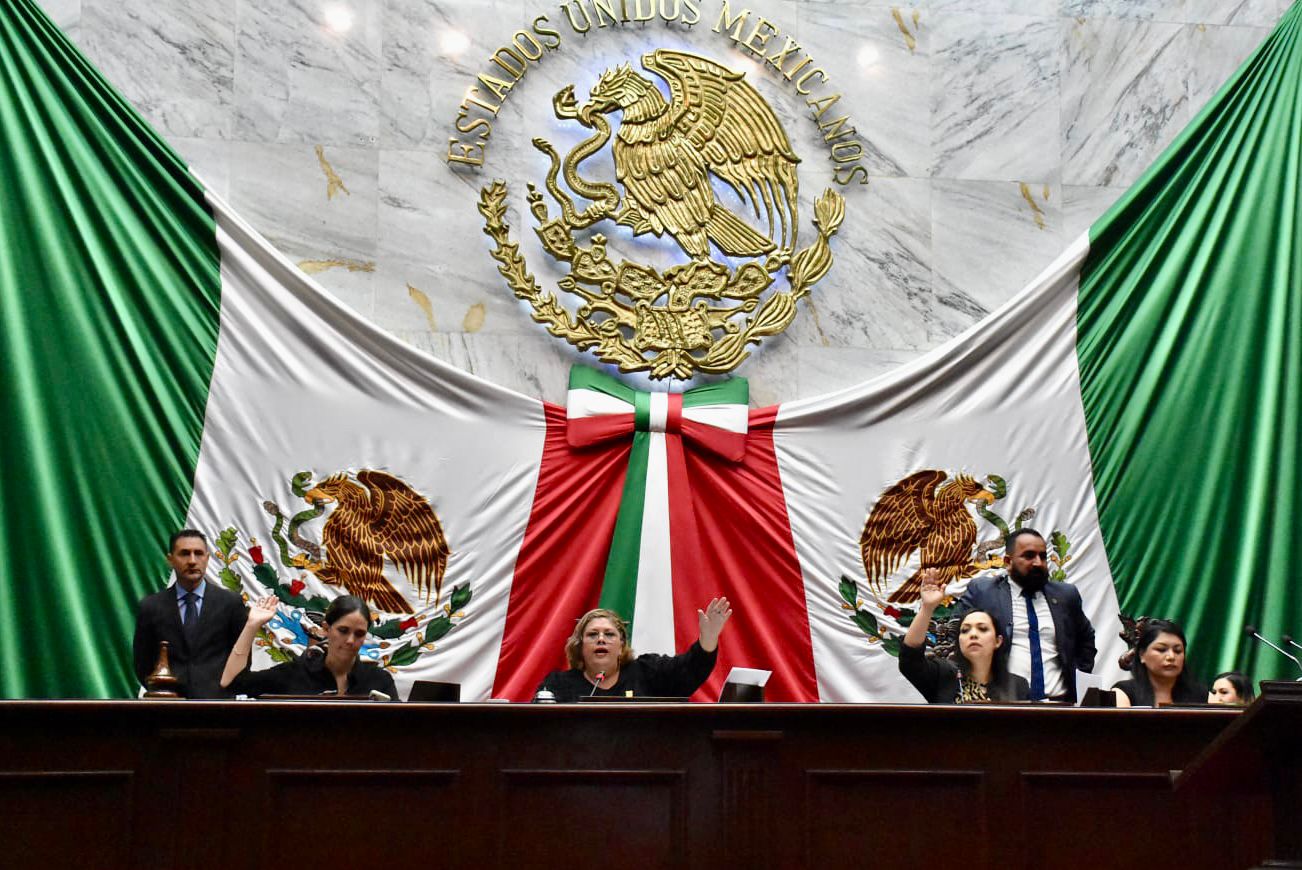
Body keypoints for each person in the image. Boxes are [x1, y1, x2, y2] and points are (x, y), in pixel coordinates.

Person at [956, 528, 1096, 702]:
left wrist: (1078, 676)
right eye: (1029, 556)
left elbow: (1086, 639)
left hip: (1059, 702)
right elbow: (956, 632)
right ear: (1008, 562)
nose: (1038, 563)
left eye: (1042, 556)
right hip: (1005, 702)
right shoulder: (984, 592)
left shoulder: (1065, 595)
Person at [536, 598, 732, 702]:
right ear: (580, 645)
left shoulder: (647, 672)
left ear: (621, 645)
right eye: (593, 635)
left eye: (609, 634)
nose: (601, 639)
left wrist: (709, 638)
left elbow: (689, 670)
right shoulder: (558, 685)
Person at [132, 529, 248, 698]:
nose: (192, 561)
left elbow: (242, 658)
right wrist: (162, 691)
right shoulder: (151, 607)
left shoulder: (231, 603)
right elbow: (142, 663)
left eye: (198, 553)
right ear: (170, 559)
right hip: (169, 704)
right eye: (184, 554)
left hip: (218, 705)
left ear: (207, 558)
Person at [220, 594, 400, 700]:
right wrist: (252, 626)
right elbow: (232, 683)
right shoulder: (294, 673)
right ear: (326, 629)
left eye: (359, 634)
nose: (350, 640)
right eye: (343, 631)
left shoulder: (380, 681)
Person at [899, 569, 1029, 703]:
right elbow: (910, 658)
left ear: (998, 641)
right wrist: (927, 607)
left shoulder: (1017, 686)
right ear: (959, 641)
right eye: (965, 630)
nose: (973, 634)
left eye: (982, 629)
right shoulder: (943, 674)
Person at [1112, 619, 1206, 707]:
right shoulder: (1123, 693)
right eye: (1161, 650)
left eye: (1177, 651)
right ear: (1142, 655)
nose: (1171, 657)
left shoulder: (1202, 695)